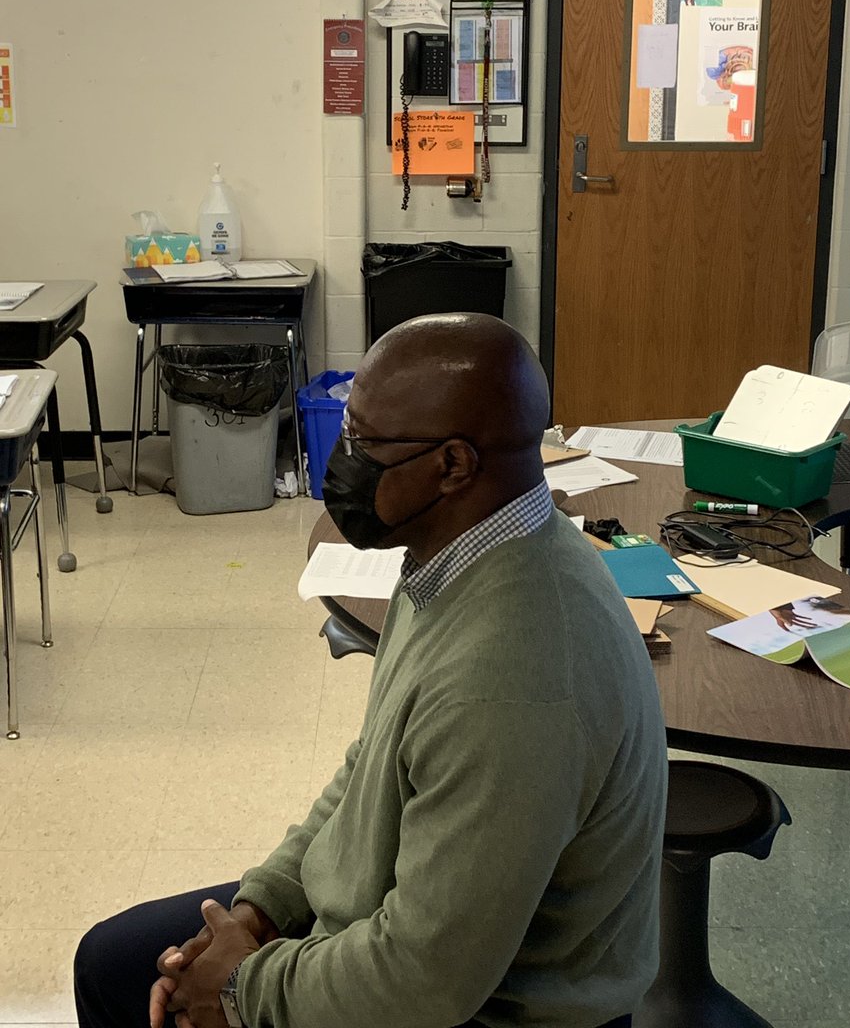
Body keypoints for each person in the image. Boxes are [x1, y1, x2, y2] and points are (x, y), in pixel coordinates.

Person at [74, 313, 667, 1028]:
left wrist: (240, 992)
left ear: (453, 465)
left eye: (363, 441)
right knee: (112, 960)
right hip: (401, 930)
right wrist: (258, 912)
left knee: (131, 990)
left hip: (483, 1007)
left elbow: (424, 982)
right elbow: (370, 768)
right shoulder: (459, 555)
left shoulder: (514, 679)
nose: (340, 460)